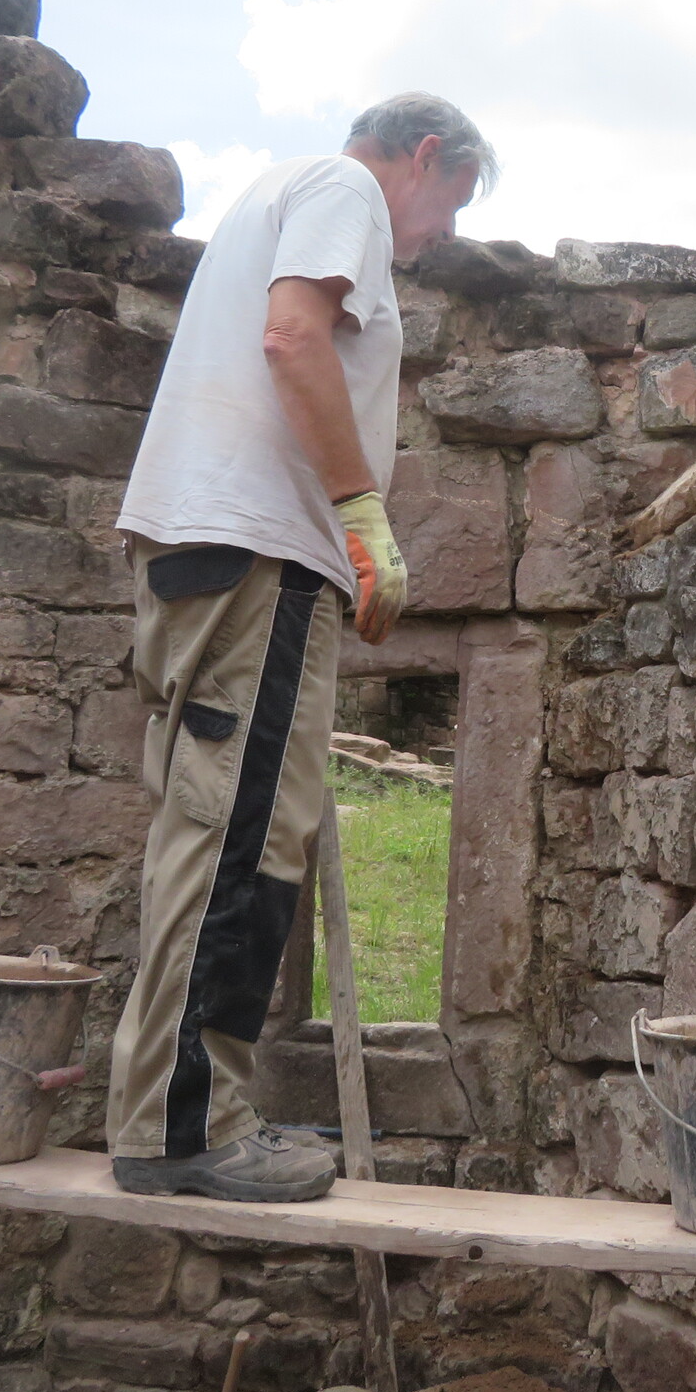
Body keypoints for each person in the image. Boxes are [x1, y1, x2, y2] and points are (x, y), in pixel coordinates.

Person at [106, 92, 495, 1201]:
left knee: (217, 824)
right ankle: (185, 1132)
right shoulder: (343, 187)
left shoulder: (277, 194)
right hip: (257, 551)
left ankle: (183, 1114)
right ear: (423, 155)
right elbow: (293, 335)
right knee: (239, 834)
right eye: (452, 203)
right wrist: (360, 513)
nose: (444, 235)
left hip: (219, 550)